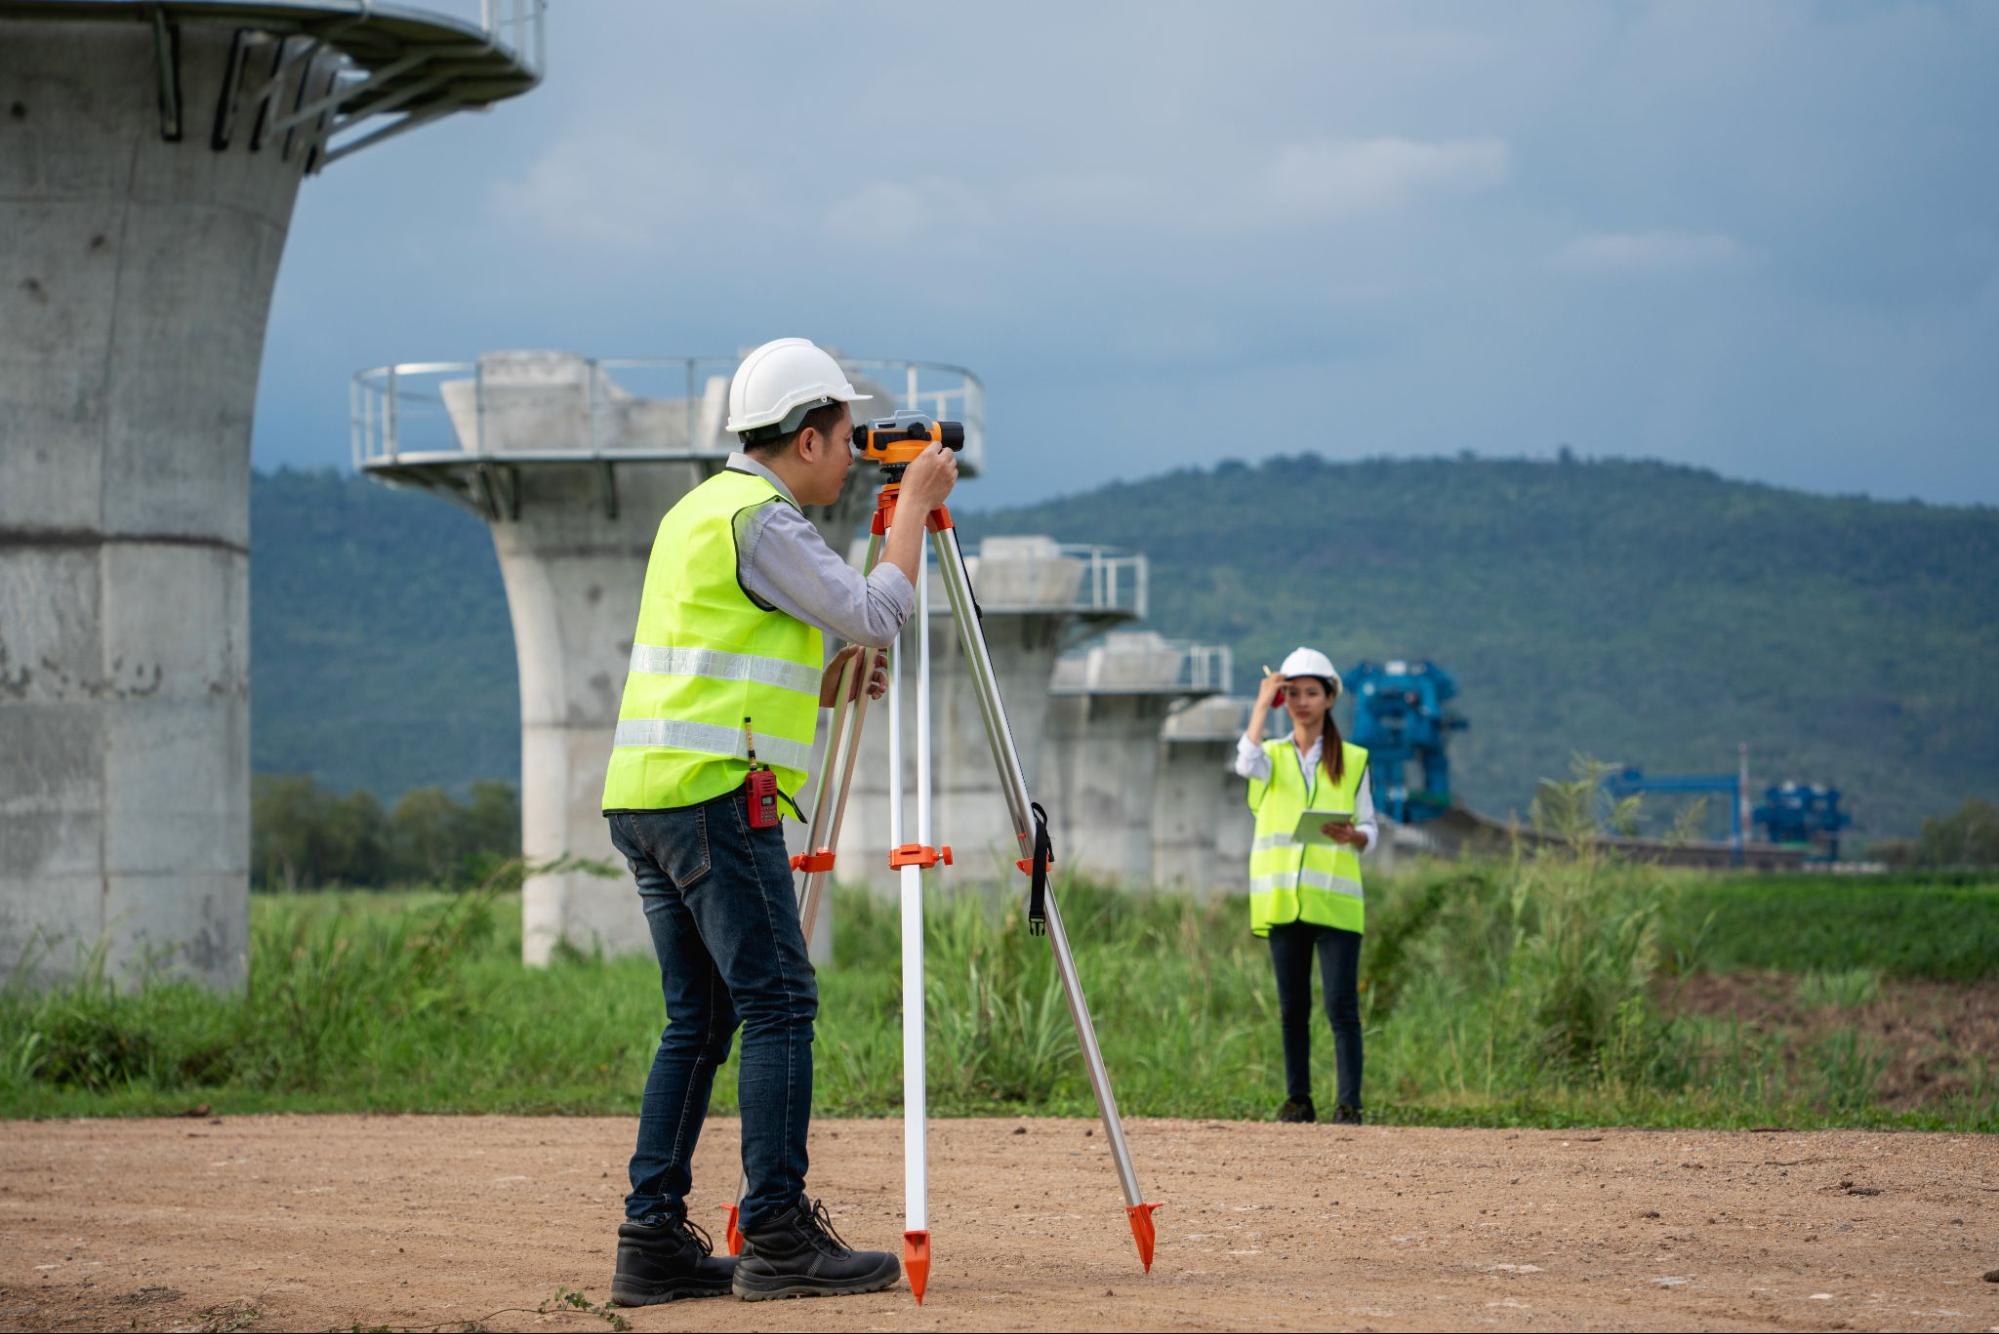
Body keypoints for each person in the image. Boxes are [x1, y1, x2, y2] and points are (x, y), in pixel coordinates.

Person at [599, 337, 959, 1305]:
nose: (851, 459)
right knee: (780, 1003)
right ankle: (778, 1233)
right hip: (714, 796)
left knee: (701, 1016)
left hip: (648, 792)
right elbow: (873, 614)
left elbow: (721, 660)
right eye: (844, 440)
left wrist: (819, 684)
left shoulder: (699, 511)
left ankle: (651, 1239)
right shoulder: (765, 519)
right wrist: (913, 511)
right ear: (806, 438)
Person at [1235, 646, 1378, 1126]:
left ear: (1329, 698)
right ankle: (1298, 1100)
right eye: (1292, 693)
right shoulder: (1271, 757)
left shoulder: (1354, 760)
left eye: (1311, 693)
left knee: (1341, 1007)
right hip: (1283, 901)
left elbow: (1370, 827)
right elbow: (1244, 762)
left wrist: (1354, 836)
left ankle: (1349, 1104)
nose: (1301, 702)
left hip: (1336, 901)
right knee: (1292, 1008)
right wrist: (1262, 704)